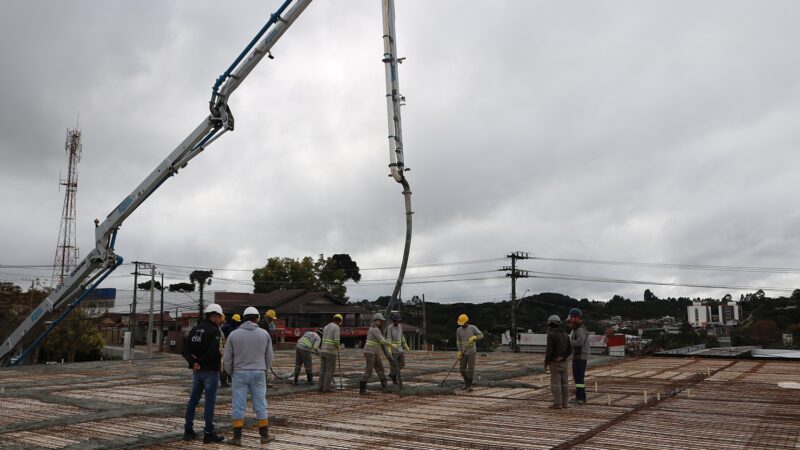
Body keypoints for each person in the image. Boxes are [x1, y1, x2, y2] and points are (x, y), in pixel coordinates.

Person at [224, 306, 275, 445]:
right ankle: (264, 436)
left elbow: (227, 358)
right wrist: (264, 369)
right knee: (260, 404)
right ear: (257, 318)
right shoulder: (264, 334)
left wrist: (231, 372)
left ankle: (237, 437)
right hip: (258, 372)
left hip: (239, 373)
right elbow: (269, 356)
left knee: (238, 405)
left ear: (243, 318)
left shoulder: (234, 335)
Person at [181, 303, 225, 443]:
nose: (221, 320)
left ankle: (188, 430)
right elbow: (213, 352)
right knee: (209, 402)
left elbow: (185, 350)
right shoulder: (215, 331)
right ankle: (208, 432)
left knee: (193, 400)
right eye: (220, 317)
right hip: (210, 371)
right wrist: (200, 361)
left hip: (197, 371)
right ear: (215, 316)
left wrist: (194, 362)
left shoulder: (195, 329)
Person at [360, 312, 396, 394]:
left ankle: (384, 387)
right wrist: (392, 345)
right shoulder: (375, 329)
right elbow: (382, 341)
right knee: (369, 371)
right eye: (380, 321)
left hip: (375, 352)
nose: (382, 323)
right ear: (376, 320)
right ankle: (362, 388)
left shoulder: (374, 328)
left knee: (380, 369)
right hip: (370, 352)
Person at [544, 314, 572, 409]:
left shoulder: (551, 335)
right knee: (564, 383)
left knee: (556, 384)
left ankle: (557, 404)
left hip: (554, 363)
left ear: (551, 324)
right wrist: (563, 357)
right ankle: (565, 403)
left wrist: (546, 362)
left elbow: (549, 350)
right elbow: (570, 350)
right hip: (564, 362)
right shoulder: (565, 335)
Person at [455, 314, 483, 391]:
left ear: (466, 321)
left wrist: (475, 337)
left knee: (471, 369)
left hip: (471, 352)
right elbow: (458, 342)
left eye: (463, 323)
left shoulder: (472, 328)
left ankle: (469, 386)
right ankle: (467, 383)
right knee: (462, 369)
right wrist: (459, 351)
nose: (462, 325)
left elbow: (481, 335)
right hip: (463, 353)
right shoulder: (458, 330)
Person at [567, 308, 589, 405]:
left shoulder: (580, 329)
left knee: (579, 378)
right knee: (578, 378)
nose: (570, 319)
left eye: (572, 317)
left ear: (577, 317)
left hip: (580, 357)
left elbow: (580, 342)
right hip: (577, 356)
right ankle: (580, 397)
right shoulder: (576, 328)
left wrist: (568, 342)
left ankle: (580, 398)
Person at [319, 314, 342, 393]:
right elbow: (336, 340)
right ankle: (326, 388)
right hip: (331, 351)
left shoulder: (326, 327)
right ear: (339, 321)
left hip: (323, 351)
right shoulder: (336, 327)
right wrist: (338, 347)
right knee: (329, 371)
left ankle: (320, 387)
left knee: (322, 370)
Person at [385, 312, 410, 385]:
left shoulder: (400, 326)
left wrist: (405, 346)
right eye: (395, 320)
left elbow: (402, 337)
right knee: (393, 365)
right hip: (393, 350)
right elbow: (388, 339)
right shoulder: (389, 328)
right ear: (393, 320)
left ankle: (392, 374)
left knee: (402, 364)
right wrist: (389, 350)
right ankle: (394, 380)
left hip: (400, 349)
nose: (396, 322)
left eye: (398, 321)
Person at [219, 314, 241, 388]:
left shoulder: (236, 328)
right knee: (224, 365)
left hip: (233, 348)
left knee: (231, 364)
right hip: (226, 348)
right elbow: (221, 336)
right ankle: (224, 381)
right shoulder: (227, 327)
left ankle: (229, 379)